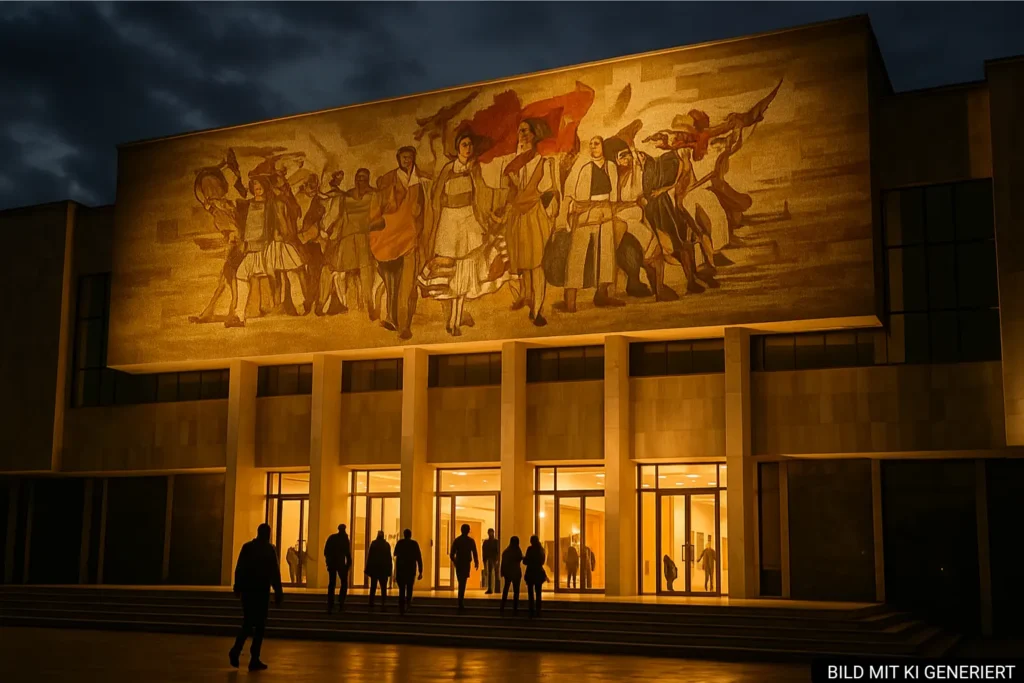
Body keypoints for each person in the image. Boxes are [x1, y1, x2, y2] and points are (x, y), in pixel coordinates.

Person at [419, 132, 512, 337]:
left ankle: (456, 318)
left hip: (469, 218)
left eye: (470, 145)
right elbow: (436, 196)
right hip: (450, 220)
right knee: (452, 268)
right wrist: (435, 222)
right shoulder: (448, 169)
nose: (467, 148)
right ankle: (452, 318)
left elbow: (481, 194)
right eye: (464, 145)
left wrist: (487, 217)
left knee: (465, 266)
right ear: (457, 148)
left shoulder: (475, 169)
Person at [484, 119, 559, 327]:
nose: (522, 135)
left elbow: (545, 192)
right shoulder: (513, 164)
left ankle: (537, 310)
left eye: (526, 131)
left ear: (535, 135)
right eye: (520, 131)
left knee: (537, 264)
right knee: (524, 262)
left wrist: (522, 192)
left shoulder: (543, 162)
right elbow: (511, 194)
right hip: (518, 217)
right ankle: (527, 297)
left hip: (534, 216)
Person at [558, 135, 624, 313]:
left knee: (607, 254)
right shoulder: (584, 168)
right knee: (577, 253)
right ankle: (570, 300)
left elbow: (614, 194)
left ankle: (602, 294)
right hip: (585, 212)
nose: (593, 147)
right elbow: (574, 194)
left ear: (603, 147)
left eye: (597, 144)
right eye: (591, 144)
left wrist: (609, 208)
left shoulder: (611, 167)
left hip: (605, 211)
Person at [370, 146, 426, 340]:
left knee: (408, 284)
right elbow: (378, 206)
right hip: (390, 238)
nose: (407, 160)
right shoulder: (388, 179)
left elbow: (426, 208)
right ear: (398, 159)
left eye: (410, 157)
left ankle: (404, 325)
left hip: (411, 237)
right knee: (391, 281)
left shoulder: (420, 180)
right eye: (404, 157)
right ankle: (392, 318)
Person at [229, 523, 283, 672]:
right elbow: (274, 573)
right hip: (261, 592)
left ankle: (236, 650)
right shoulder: (269, 550)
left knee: (247, 623)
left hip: (248, 591)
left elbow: (240, 568)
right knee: (259, 626)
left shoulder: (248, 548)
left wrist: (238, 586)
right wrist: (278, 592)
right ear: (268, 534)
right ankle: (253, 658)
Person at [449, 523, 479, 611]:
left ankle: (460, 600)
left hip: (459, 563)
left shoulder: (457, 540)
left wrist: (455, 561)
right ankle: (460, 600)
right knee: (463, 582)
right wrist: (476, 562)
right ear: (468, 531)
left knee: (460, 581)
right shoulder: (470, 541)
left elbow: (452, 554)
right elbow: (474, 552)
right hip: (466, 563)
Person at [393, 528, 423, 615]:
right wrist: (420, 571)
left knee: (402, 590)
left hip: (401, 570)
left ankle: (401, 608)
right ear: (410, 535)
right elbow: (419, 558)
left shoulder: (400, 543)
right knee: (409, 589)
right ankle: (408, 605)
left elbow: (395, 554)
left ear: (404, 534)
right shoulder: (414, 544)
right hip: (410, 570)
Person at [323, 523, 352, 614]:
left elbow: (326, 551)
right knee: (343, 583)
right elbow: (347, 553)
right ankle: (341, 602)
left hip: (332, 564)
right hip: (340, 564)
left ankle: (331, 604)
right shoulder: (344, 539)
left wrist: (328, 562)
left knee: (332, 584)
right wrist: (348, 564)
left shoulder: (332, 538)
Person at [365, 530, 392, 611]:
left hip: (375, 569)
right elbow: (389, 558)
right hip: (383, 569)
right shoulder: (386, 545)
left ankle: (371, 602)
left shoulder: (373, 544)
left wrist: (368, 569)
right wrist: (389, 570)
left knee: (373, 587)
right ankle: (383, 602)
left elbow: (370, 557)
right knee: (383, 588)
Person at [523, 535, 547, 618]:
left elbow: (525, 561)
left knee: (530, 593)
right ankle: (538, 610)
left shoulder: (530, 549)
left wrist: (525, 559)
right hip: (538, 572)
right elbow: (542, 561)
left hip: (530, 572)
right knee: (538, 593)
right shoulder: (541, 549)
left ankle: (531, 610)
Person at [499, 536, 524, 614]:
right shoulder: (517, 550)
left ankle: (502, 606)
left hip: (508, 573)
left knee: (506, 589)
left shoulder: (506, 551)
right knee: (516, 591)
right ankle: (515, 608)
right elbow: (520, 558)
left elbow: (503, 563)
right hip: (516, 573)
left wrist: (502, 572)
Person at [481, 528, 500, 595]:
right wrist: (484, 560)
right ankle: (490, 588)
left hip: (494, 558)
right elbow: (484, 551)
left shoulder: (495, 542)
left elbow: (498, 551)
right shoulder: (487, 542)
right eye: (490, 532)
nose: (490, 534)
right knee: (490, 574)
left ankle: (496, 589)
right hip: (489, 558)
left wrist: (497, 559)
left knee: (496, 574)